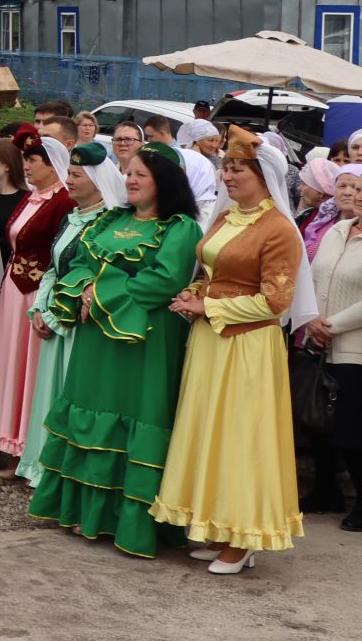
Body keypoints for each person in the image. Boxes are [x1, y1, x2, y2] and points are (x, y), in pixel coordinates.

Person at [28, 142, 202, 557]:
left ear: (167, 181)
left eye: (142, 174)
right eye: (129, 172)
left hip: (143, 338)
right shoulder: (111, 217)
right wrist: (86, 288)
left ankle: (131, 524)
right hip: (96, 338)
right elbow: (81, 261)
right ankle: (81, 513)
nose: (131, 180)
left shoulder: (180, 228)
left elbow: (164, 279)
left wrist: (101, 292)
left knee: (137, 416)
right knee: (87, 410)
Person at [150, 128, 305, 573]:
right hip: (211, 340)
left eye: (237, 169)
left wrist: (208, 305)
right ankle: (218, 527)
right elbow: (214, 269)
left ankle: (245, 535)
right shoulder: (227, 217)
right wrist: (193, 292)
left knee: (241, 436)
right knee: (210, 430)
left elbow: (276, 301)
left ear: (262, 174)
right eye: (226, 168)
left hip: (247, 346)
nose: (227, 175)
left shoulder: (278, 230)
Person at [14, 142, 128, 485]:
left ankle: (60, 472)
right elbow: (54, 266)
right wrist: (40, 306)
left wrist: (55, 313)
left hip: (77, 322)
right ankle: (40, 465)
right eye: (69, 173)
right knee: (47, 392)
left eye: (76, 175)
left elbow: (95, 274)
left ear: (96, 179)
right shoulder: (71, 218)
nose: (69, 180)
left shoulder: (107, 222)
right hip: (53, 316)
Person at [0, 128, 74, 476]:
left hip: (36, 292)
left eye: (33, 160)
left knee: (30, 368)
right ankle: (12, 443)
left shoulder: (63, 202)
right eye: (26, 160)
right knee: (13, 365)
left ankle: (31, 448)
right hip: (15, 289)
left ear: (52, 164)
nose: (27, 166)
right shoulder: (31, 198)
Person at [302, 165, 362, 531]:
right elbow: (312, 277)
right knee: (321, 423)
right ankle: (328, 492)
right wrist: (311, 320)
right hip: (320, 343)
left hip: (355, 347)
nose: (357, 196)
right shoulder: (337, 230)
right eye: (356, 190)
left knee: (352, 431)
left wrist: (331, 325)